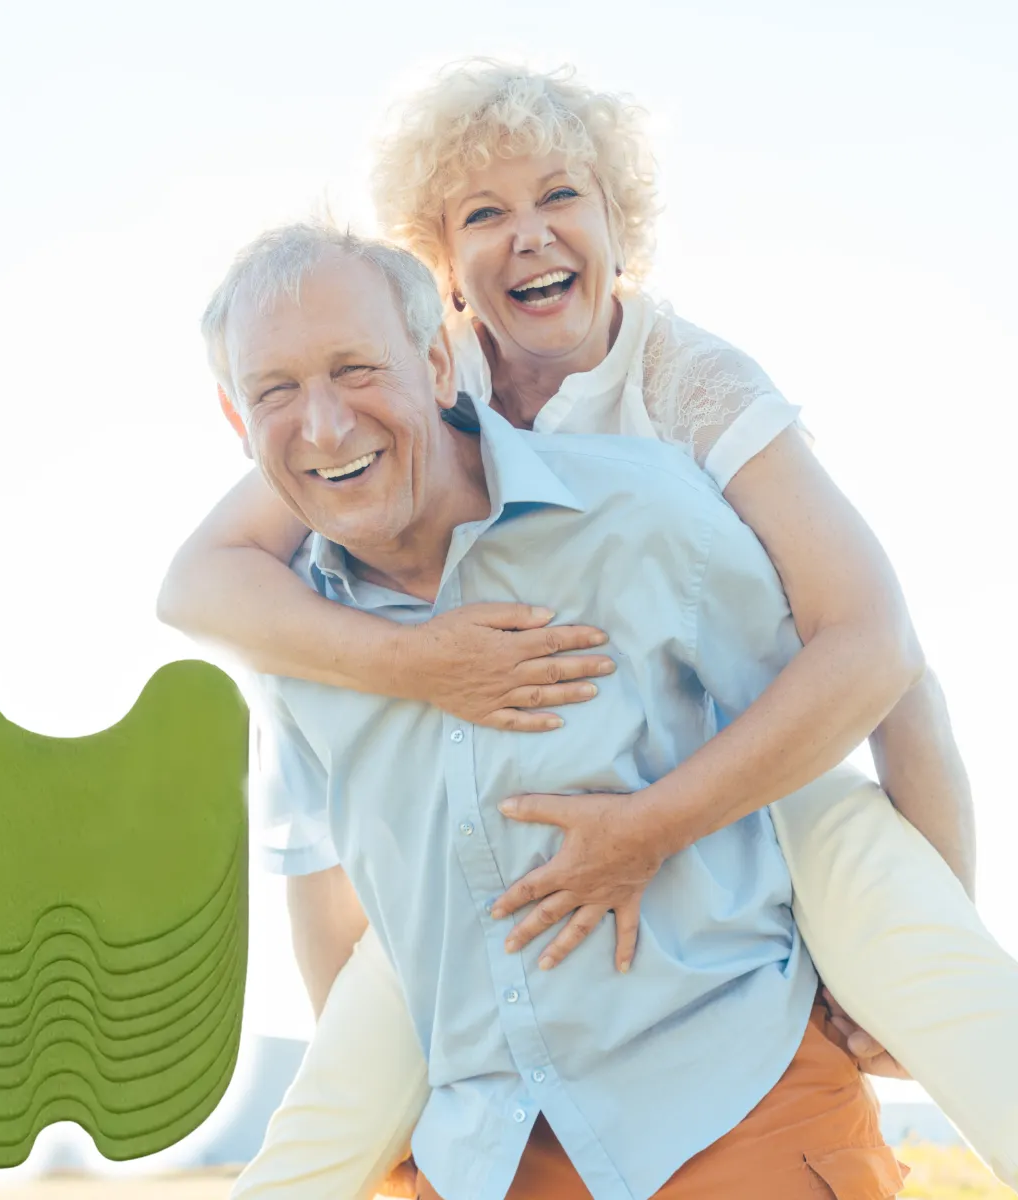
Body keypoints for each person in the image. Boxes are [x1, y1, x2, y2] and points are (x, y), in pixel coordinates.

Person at [160, 64, 1018, 1193]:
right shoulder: (411, 386)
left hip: (753, 771)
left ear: (619, 222)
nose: (529, 237)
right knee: (330, 1115)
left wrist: (871, 950)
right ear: (438, 262)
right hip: (515, 823)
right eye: (483, 214)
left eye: (560, 198)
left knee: (957, 1001)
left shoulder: (689, 384)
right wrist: (421, 666)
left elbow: (881, 659)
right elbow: (201, 584)